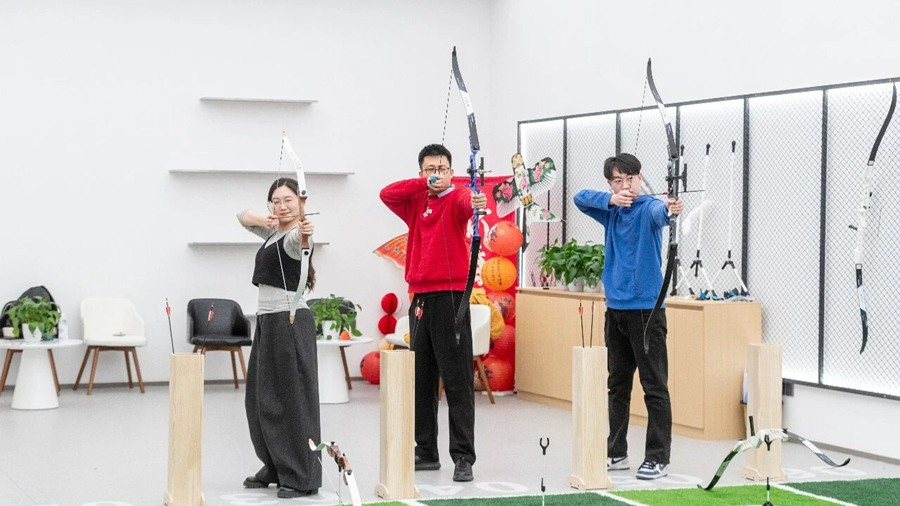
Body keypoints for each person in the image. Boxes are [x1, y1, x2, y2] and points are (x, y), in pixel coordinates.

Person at [379, 143, 487, 482]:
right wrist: (423, 183)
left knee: (456, 381)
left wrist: (475, 200)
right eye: (430, 169)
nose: (437, 174)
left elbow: (467, 202)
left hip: (451, 298)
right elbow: (386, 194)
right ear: (421, 172)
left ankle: (463, 457)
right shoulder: (415, 201)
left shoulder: (457, 199)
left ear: (452, 172)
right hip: (420, 300)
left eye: (442, 168)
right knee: (422, 379)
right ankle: (425, 451)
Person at [573, 153, 684, 480]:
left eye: (630, 179)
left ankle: (658, 457)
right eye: (617, 180)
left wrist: (670, 209)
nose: (625, 185)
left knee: (654, 385)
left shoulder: (648, 208)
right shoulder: (611, 211)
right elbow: (580, 198)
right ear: (610, 184)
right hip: (616, 310)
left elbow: (661, 213)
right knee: (617, 385)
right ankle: (616, 451)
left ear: (640, 178)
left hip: (646, 312)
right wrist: (611, 199)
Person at [238, 177, 321, 498]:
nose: (282, 206)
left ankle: (301, 476)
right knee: (261, 398)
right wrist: (266, 219)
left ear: (301, 202)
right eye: (276, 200)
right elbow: (241, 216)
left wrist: (304, 229)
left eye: (288, 200)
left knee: (293, 400)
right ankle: (275, 465)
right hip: (269, 321)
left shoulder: (294, 237)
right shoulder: (273, 233)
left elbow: (302, 240)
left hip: (290, 321)